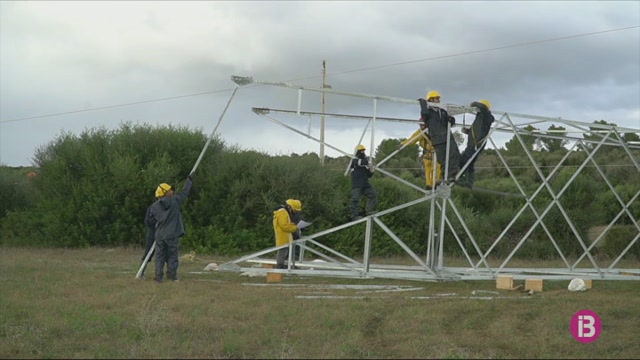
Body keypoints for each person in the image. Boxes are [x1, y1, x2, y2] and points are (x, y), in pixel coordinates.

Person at [149, 173, 194, 283]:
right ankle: (172, 276)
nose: (172, 191)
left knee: (159, 257)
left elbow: (151, 220)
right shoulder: (175, 201)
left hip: (159, 235)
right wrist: (189, 181)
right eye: (169, 190)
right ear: (165, 192)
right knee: (172, 256)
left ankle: (159, 277)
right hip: (172, 234)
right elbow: (185, 192)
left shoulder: (154, 207)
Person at [418, 90, 461, 183]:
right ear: (431, 100)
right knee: (442, 159)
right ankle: (444, 176)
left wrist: (451, 119)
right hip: (437, 139)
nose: (438, 100)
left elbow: (450, 122)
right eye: (436, 98)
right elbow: (424, 114)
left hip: (448, 137)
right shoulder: (428, 112)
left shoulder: (442, 112)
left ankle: (451, 176)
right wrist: (423, 103)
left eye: (438, 98)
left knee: (454, 155)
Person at [458, 99, 495, 189]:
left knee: (463, 161)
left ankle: (464, 180)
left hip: (475, 145)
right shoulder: (480, 118)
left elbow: (483, 107)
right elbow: (477, 131)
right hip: (474, 144)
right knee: (470, 163)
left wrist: (474, 103)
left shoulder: (486, 116)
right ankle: (470, 182)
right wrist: (467, 131)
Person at [400, 119, 442, 190]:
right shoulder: (420, 132)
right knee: (427, 168)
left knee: (437, 167)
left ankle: (436, 182)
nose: (421, 126)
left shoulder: (435, 130)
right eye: (420, 124)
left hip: (436, 152)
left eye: (422, 124)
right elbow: (412, 140)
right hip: (427, 152)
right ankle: (429, 184)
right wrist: (402, 144)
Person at [349, 144, 377, 220]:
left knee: (373, 194)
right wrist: (368, 162)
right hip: (357, 184)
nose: (363, 152)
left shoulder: (364, 163)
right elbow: (361, 162)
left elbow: (369, 175)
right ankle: (354, 216)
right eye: (362, 150)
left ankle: (368, 211)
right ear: (358, 151)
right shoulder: (355, 160)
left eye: (363, 151)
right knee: (355, 200)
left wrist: (371, 171)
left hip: (365, 184)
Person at [273, 199, 302, 269]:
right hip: (283, 235)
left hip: (285, 235)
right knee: (282, 251)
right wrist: (296, 227)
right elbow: (285, 226)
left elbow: (287, 224)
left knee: (284, 251)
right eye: (295, 210)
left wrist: (294, 225)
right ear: (290, 207)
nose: (295, 212)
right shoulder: (283, 213)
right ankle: (280, 266)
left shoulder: (284, 212)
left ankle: (283, 265)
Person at [139, 196, 157, 278]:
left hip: (165, 233)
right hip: (153, 233)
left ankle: (169, 273)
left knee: (167, 254)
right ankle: (142, 271)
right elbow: (147, 221)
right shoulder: (152, 207)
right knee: (148, 253)